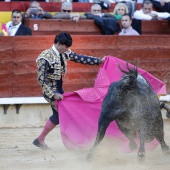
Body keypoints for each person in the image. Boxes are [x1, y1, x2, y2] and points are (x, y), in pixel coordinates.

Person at [32, 32, 105, 149]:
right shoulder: (45, 57)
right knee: (67, 115)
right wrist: (52, 94)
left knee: (57, 116)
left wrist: (99, 61)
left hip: (59, 89)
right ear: (59, 43)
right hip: (50, 91)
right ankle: (76, 143)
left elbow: (79, 58)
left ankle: (40, 140)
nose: (67, 50)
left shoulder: (63, 52)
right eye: (65, 47)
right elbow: (41, 79)